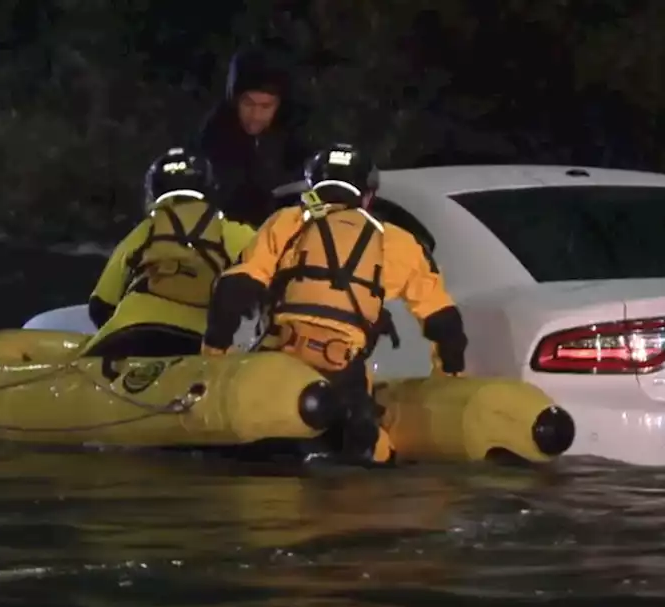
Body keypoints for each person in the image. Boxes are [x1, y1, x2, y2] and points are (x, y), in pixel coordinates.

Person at [200, 142, 468, 464]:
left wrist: (214, 358)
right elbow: (445, 323)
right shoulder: (396, 241)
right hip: (343, 370)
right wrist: (449, 379)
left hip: (278, 362)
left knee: (252, 453)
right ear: (367, 196)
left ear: (315, 187)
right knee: (373, 455)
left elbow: (233, 289)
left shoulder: (288, 222)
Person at [82, 147, 257, 358]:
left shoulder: (146, 230)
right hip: (200, 338)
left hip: (132, 330)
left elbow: (100, 303)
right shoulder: (233, 232)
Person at [195, 46, 310, 229]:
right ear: (235, 100)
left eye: (266, 106)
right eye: (248, 103)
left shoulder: (297, 133)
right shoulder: (214, 134)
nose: (255, 115)